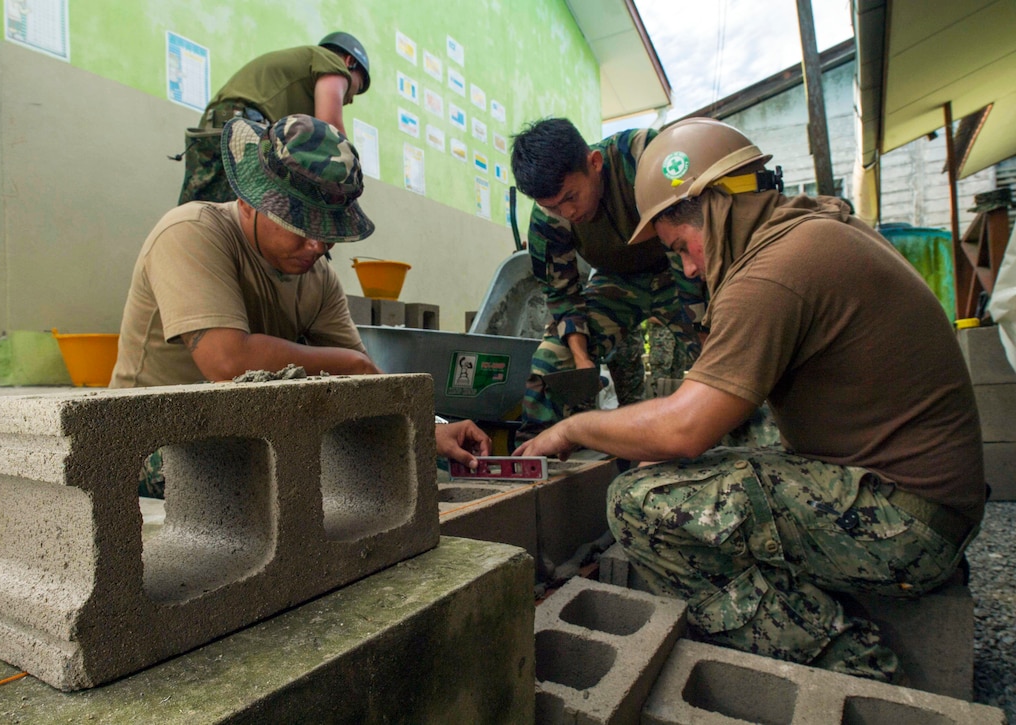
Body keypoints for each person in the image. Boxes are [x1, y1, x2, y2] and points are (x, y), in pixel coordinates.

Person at [516, 118, 986, 682]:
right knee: (689, 475)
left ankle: (849, 665)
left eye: (682, 248)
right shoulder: (807, 228)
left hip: (908, 525)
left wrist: (576, 428)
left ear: (711, 206)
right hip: (914, 495)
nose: (687, 270)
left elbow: (686, 429)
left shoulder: (770, 274)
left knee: (637, 504)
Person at [114, 114, 488, 494]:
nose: (319, 246)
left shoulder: (317, 277)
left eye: (328, 232)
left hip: (243, 435)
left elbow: (365, 388)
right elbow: (227, 362)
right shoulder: (190, 233)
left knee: (376, 458)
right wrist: (351, 364)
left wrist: (431, 428)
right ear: (247, 203)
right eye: (303, 227)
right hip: (148, 442)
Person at [509, 118, 705, 441]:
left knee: (728, 354)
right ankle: (538, 464)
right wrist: (582, 359)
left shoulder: (642, 157)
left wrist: (706, 334)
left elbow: (696, 232)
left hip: (681, 268)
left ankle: (761, 453)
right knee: (552, 361)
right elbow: (562, 295)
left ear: (594, 164)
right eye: (554, 206)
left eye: (571, 197)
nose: (568, 213)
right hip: (618, 284)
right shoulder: (549, 218)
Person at [178, 32, 371, 204]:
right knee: (238, 228)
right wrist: (352, 179)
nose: (351, 99)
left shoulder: (301, 74)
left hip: (216, 127)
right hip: (245, 133)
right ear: (349, 62)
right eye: (358, 86)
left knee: (199, 220)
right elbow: (331, 136)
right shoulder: (331, 62)